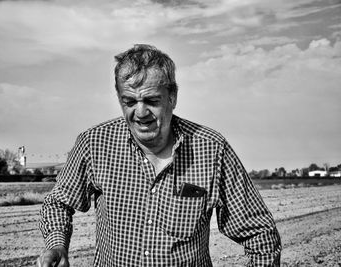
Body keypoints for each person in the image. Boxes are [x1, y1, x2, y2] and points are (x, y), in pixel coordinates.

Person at [37, 44, 281, 267]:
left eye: (151, 100)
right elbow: (58, 202)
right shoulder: (95, 144)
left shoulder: (212, 149)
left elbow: (261, 235)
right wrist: (57, 244)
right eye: (129, 101)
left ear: (172, 97)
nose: (140, 112)